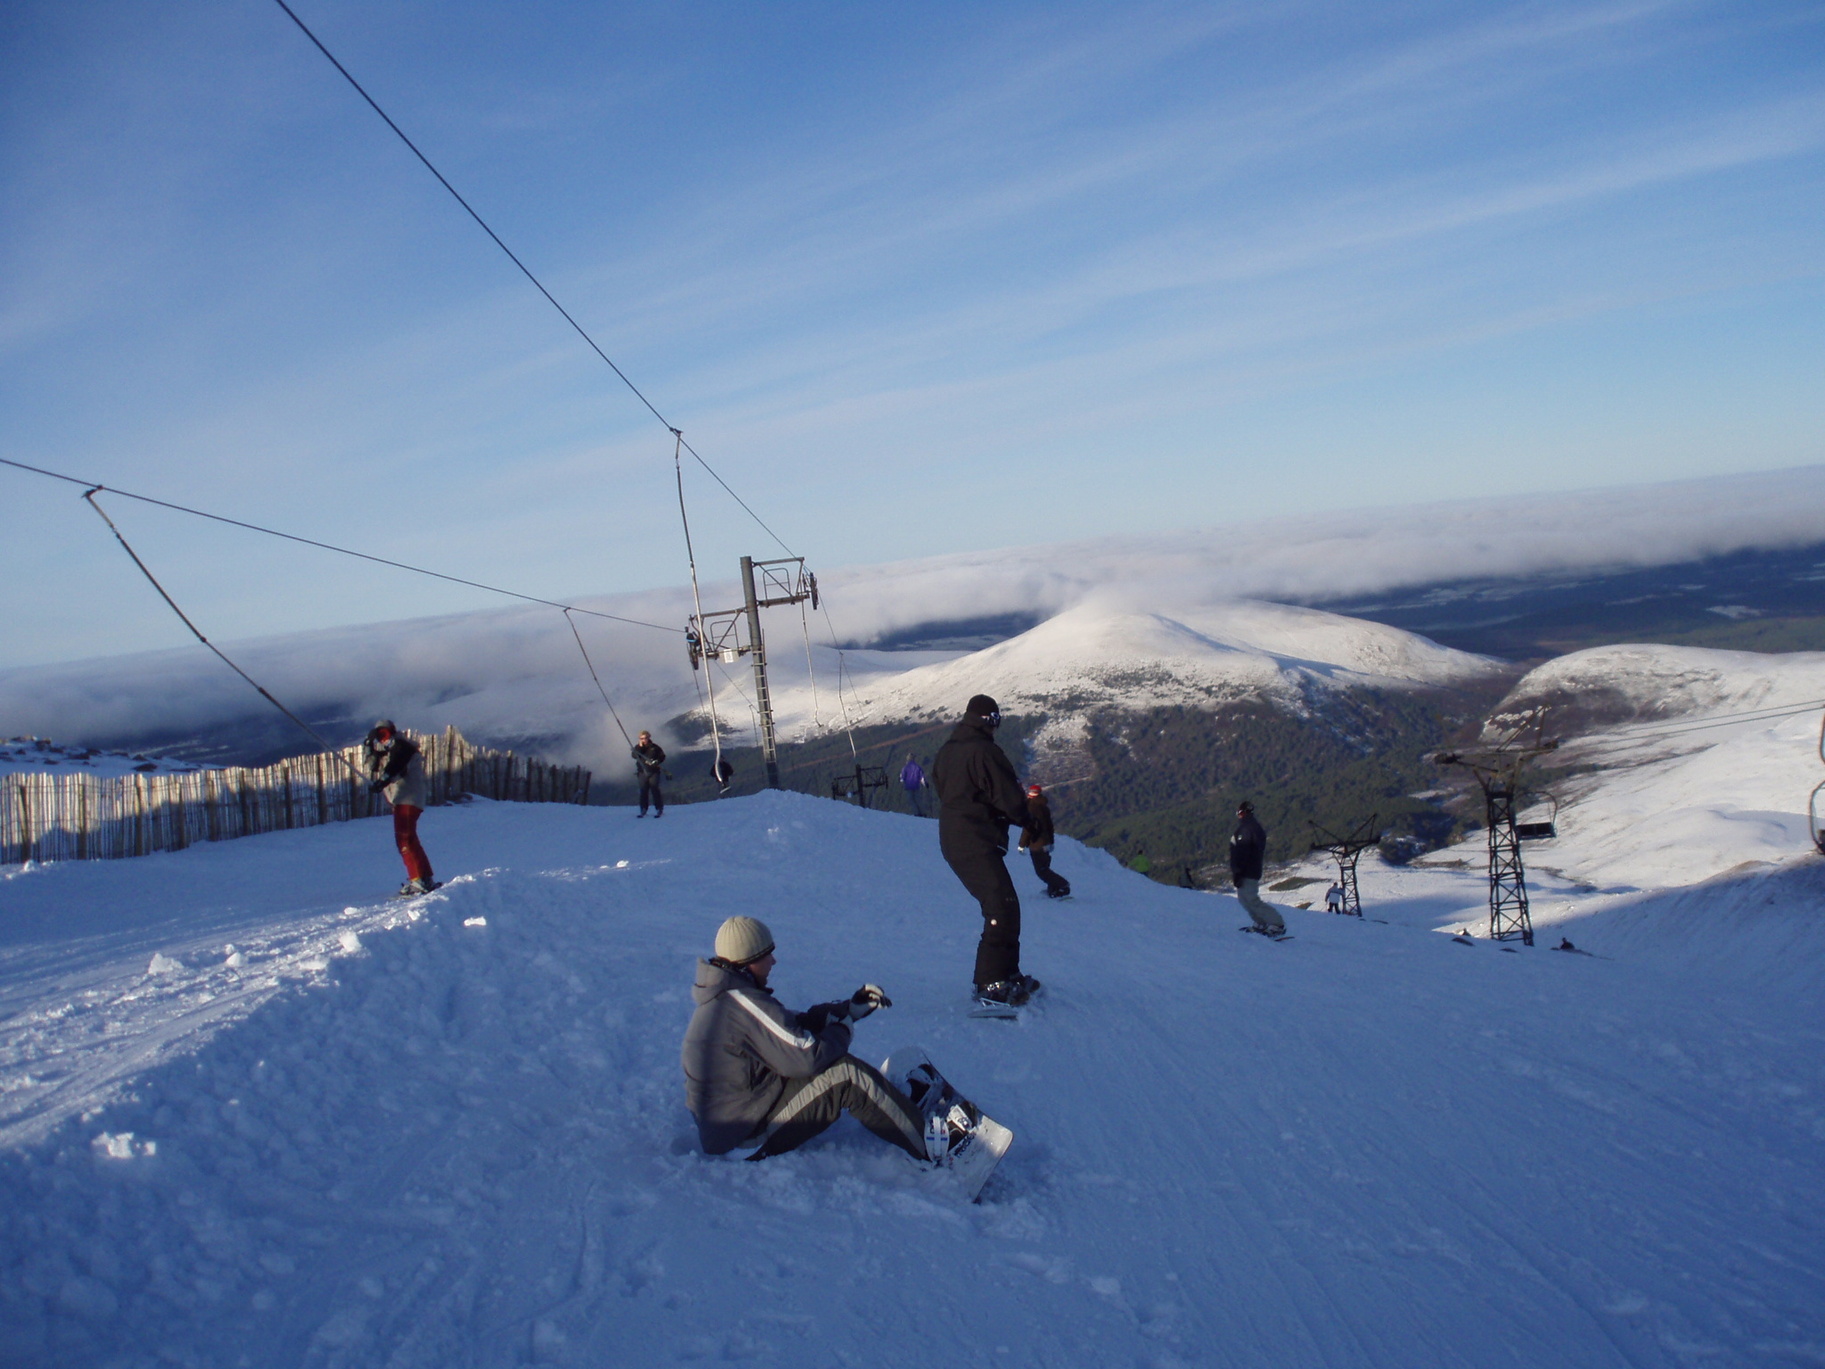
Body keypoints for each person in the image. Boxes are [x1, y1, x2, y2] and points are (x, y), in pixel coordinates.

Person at [680, 916, 925, 1162]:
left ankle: (904, 1111)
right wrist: (842, 1029)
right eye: (767, 954)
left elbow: (791, 1028)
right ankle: (931, 1144)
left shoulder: (727, 999)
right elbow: (807, 1057)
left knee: (826, 1062)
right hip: (744, 1137)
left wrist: (848, 1010)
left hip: (735, 1125)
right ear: (748, 961)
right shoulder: (741, 1003)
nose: (773, 961)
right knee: (847, 1074)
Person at [932, 694, 1035, 1005]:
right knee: (1000, 907)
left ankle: (1007, 974)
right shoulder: (984, 752)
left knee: (1006, 904)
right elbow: (1008, 795)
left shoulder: (948, 750)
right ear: (990, 721)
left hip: (957, 836)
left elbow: (943, 788)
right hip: (973, 838)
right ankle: (989, 983)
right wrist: (1028, 820)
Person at [364, 720, 435, 896]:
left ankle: (418, 880)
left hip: (408, 797)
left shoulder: (403, 747)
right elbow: (373, 766)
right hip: (403, 799)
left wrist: (382, 781)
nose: (383, 738)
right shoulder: (389, 751)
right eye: (379, 735)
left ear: (392, 732)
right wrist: (369, 747)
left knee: (404, 839)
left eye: (385, 734)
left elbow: (395, 766)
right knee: (409, 838)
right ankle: (424, 877)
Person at [1229, 800, 1286, 936]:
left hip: (1247, 870)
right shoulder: (1251, 827)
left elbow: (1242, 851)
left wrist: (1238, 871)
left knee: (1251, 899)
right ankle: (1261, 922)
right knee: (1244, 899)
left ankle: (1276, 923)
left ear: (1241, 813)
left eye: (1238, 813)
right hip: (1250, 869)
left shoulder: (1246, 829)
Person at [1018, 783, 1071, 899]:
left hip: (1037, 844)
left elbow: (1028, 828)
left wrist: (1021, 844)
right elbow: (1049, 826)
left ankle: (1063, 885)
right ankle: (1053, 889)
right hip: (1046, 843)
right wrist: (1051, 842)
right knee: (1045, 867)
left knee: (1041, 871)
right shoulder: (1043, 806)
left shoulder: (1031, 807)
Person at [633, 730, 666, 818]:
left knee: (655, 790)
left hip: (653, 772)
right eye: (642, 738)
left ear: (649, 738)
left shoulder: (655, 747)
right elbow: (634, 755)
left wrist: (657, 761)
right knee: (643, 791)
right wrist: (640, 747)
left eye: (645, 738)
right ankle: (643, 809)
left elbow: (662, 756)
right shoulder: (637, 748)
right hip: (642, 772)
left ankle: (659, 808)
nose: (644, 740)